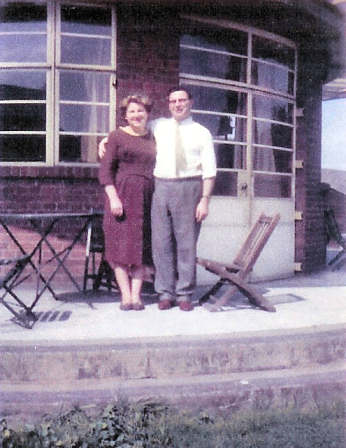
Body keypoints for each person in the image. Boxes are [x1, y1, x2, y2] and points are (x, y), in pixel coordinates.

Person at [99, 87, 216, 312]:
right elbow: (132, 129)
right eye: (173, 101)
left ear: (190, 102)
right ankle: (165, 293)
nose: (178, 104)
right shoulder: (159, 125)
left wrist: (205, 199)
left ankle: (184, 294)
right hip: (160, 187)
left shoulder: (202, 132)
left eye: (182, 100)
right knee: (160, 243)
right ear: (169, 104)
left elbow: (210, 170)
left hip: (189, 186)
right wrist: (105, 140)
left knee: (186, 244)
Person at [98, 94, 156, 311]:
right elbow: (105, 171)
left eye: (140, 110)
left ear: (147, 113)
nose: (136, 115)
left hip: (147, 198)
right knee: (119, 248)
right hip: (121, 196)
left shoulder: (153, 137)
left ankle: (136, 296)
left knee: (141, 248)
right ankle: (125, 296)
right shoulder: (116, 136)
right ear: (125, 115)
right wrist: (113, 197)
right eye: (131, 111)